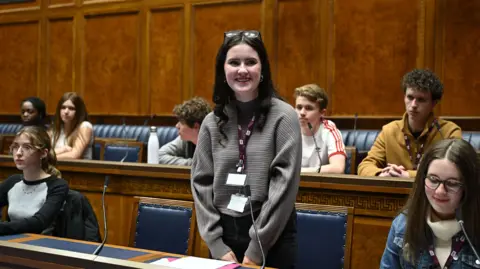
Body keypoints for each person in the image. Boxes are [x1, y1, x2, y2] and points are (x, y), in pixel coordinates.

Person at [191, 30, 301, 268]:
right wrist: (216, 243)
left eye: (251, 62)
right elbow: (201, 183)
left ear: (262, 70)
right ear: (223, 70)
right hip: (224, 239)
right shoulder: (212, 121)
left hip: (272, 237)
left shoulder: (284, 117)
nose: (242, 70)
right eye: (234, 62)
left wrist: (256, 248)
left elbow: (284, 187)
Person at [380, 139, 480, 268]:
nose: (440, 191)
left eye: (452, 183)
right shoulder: (402, 225)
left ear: (469, 186)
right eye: (433, 180)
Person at [358, 69, 462, 178]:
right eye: (410, 97)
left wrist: (408, 175)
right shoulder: (389, 130)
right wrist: (383, 174)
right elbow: (365, 166)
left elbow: (453, 169)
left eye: (421, 100)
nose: (413, 105)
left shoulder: (449, 132)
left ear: (433, 104)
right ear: (404, 97)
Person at [0, 126, 69, 235]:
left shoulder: (58, 185)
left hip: (41, 246)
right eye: (15, 147)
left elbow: (38, 223)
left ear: (43, 153)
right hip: (12, 242)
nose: (18, 153)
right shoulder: (12, 181)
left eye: (27, 147)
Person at [294, 84, 346, 173]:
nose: (302, 113)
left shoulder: (329, 130)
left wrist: (300, 172)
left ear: (322, 113)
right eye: (299, 107)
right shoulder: (288, 127)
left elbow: (338, 168)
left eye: (308, 108)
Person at [158, 97, 211, 166]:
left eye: (181, 122)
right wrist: (194, 164)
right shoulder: (185, 140)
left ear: (196, 126)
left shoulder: (217, 142)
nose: (177, 126)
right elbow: (159, 156)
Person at [49, 92, 93, 160]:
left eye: (71, 108)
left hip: (80, 169)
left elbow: (74, 156)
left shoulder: (85, 126)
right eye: (63, 108)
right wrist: (63, 149)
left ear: (79, 111)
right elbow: (42, 152)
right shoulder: (56, 128)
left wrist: (47, 158)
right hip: (57, 167)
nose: (66, 112)